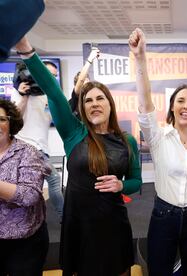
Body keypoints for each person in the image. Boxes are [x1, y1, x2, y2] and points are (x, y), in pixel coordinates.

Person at [15, 37, 143, 276]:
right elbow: (52, 91)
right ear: (82, 108)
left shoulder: (129, 141)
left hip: (113, 224)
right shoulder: (73, 132)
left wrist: (121, 185)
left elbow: (136, 181)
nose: (94, 104)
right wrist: (25, 50)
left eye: (99, 98)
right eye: (88, 100)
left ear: (110, 104)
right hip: (79, 224)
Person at [129, 28, 187, 276]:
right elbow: (145, 102)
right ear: (172, 107)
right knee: (160, 271)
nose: (186, 106)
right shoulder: (158, 138)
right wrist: (140, 58)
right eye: (180, 100)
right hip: (163, 216)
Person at [0, 99, 50, 276]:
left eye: (1, 119)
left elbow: (30, 195)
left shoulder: (28, 152)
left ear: (11, 122)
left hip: (24, 244)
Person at [12, 60, 65, 220]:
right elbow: (14, 120)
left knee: (34, 188)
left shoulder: (49, 96)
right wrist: (23, 96)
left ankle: (33, 220)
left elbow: (58, 116)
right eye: (49, 75)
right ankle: (65, 219)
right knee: (54, 181)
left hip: (42, 148)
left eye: (54, 76)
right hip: (25, 148)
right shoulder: (19, 92)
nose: (51, 79)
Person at [69, 47, 100, 118]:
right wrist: (90, 60)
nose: (87, 87)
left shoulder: (92, 100)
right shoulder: (75, 100)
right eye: (84, 84)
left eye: (88, 84)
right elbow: (80, 80)